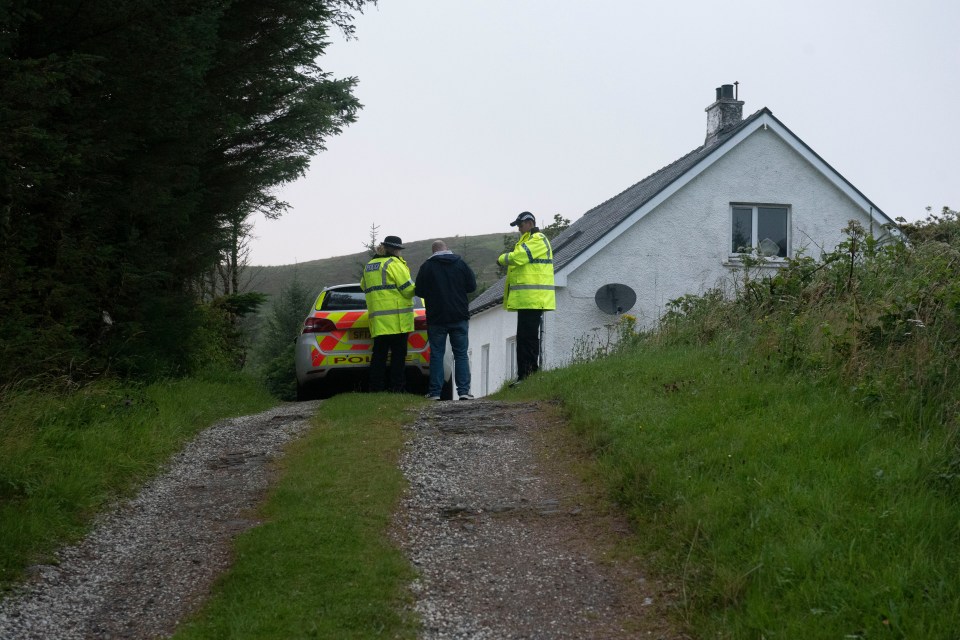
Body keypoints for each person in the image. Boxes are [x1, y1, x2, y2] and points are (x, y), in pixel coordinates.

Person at [415, 240, 477, 400]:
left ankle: (435, 393)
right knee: (461, 354)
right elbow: (472, 286)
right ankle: (463, 391)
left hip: (436, 318)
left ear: (433, 251)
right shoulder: (460, 264)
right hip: (459, 316)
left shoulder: (427, 267)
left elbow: (419, 291)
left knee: (437, 354)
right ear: (447, 249)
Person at [497, 211, 556, 384]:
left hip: (534, 298)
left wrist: (501, 258)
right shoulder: (525, 241)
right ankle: (523, 375)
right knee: (523, 338)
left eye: (520, 225)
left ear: (530, 223)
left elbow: (519, 258)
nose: (519, 229)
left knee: (528, 338)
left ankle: (529, 375)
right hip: (527, 299)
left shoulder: (538, 239)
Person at [360, 235, 416, 392]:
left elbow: (363, 286)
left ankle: (375, 389)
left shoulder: (369, 265)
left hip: (378, 320)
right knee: (398, 357)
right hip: (397, 319)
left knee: (379, 356)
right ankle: (397, 388)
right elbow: (408, 290)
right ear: (396, 249)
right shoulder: (395, 264)